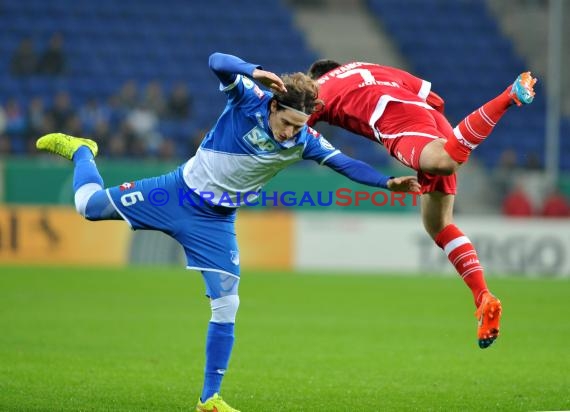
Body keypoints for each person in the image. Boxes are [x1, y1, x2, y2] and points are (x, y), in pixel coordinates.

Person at [36, 52, 419, 412]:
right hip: (175, 193)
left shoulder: (305, 141)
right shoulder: (249, 99)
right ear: (273, 105)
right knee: (87, 207)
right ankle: (83, 151)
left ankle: (209, 399)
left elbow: (347, 165)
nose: (290, 134)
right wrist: (251, 70)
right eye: (286, 123)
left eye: (298, 127)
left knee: (227, 303)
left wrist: (387, 184)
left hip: (216, 222)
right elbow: (216, 61)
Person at [307, 59, 537, 349]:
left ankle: (508, 96)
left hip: (394, 119)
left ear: (314, 77)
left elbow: (292, 121)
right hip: (429, 116)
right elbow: (433, 98)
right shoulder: (371, 67)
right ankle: (483, 297)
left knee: (444, 161)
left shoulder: (318, 88)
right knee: (438, 224)